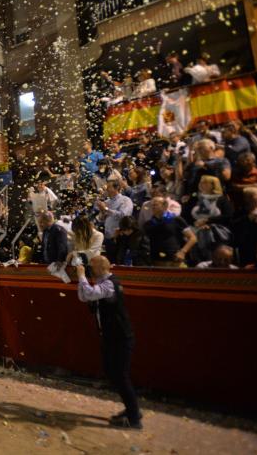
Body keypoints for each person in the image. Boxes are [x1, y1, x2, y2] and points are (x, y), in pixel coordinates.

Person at [76, 256, 142, 429]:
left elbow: (89, 293)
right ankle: (131, 409)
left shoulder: (110, 283)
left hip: (121, 337)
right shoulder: (100, 283)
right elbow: (84, 297)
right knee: (111, 372)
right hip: (109, 336)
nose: (89, 269)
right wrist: (82, 278)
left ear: (99, 267)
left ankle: (134, 417)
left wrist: (82, 276)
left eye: (91, 266)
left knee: (120, 375)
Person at [143, 197, 197, 267]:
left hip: (174, 260)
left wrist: (182, 252)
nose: (153, 207)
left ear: (165, 206)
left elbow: (193, 238)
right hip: (156, 260)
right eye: (152, 205)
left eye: (155, 205)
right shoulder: (148, 224)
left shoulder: (176, 219)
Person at [96, 180, 134, 259]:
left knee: (120, 262)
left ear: (117, 188)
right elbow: (101, 219)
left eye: (109, 187)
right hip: (108, 236)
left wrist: (106, 209)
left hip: (121, 236)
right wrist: (102, 212)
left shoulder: (125, 200)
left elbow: (124, 215)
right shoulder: (107, 202)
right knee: (110, 262)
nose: (106, 189)